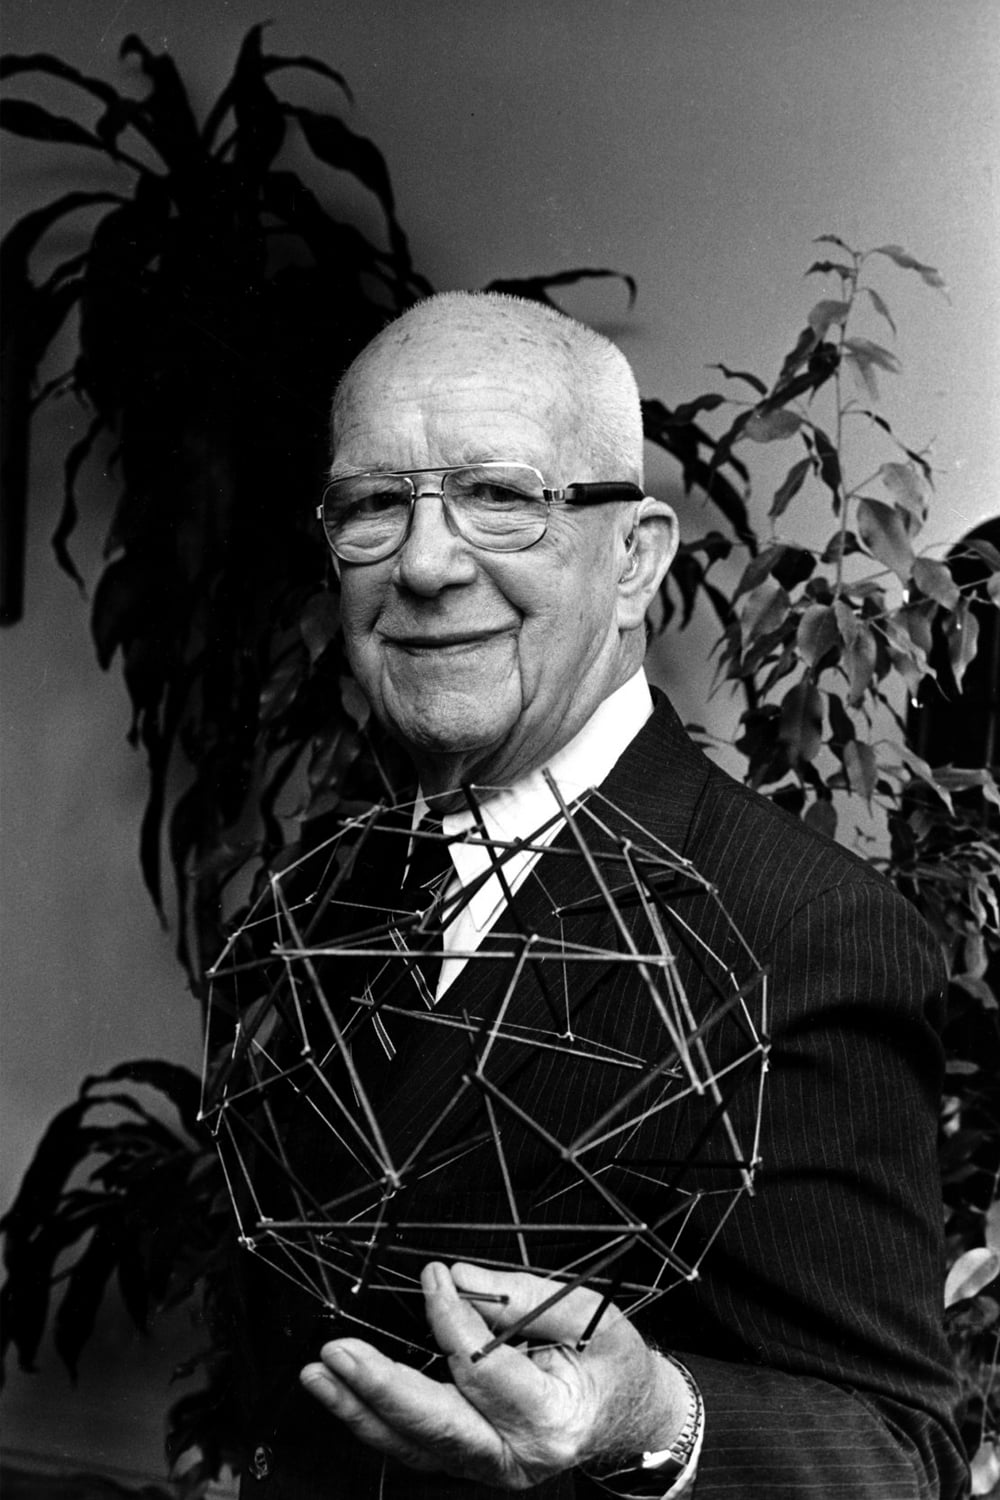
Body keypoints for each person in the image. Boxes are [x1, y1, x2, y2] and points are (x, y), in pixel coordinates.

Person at [234, 292, 967, 1498]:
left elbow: (899, 1457)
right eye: (373, 504)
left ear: (635, 559)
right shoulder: (343, 883)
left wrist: (648, 1418)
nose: (423, 562)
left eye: (500, 495)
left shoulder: (802, 931)